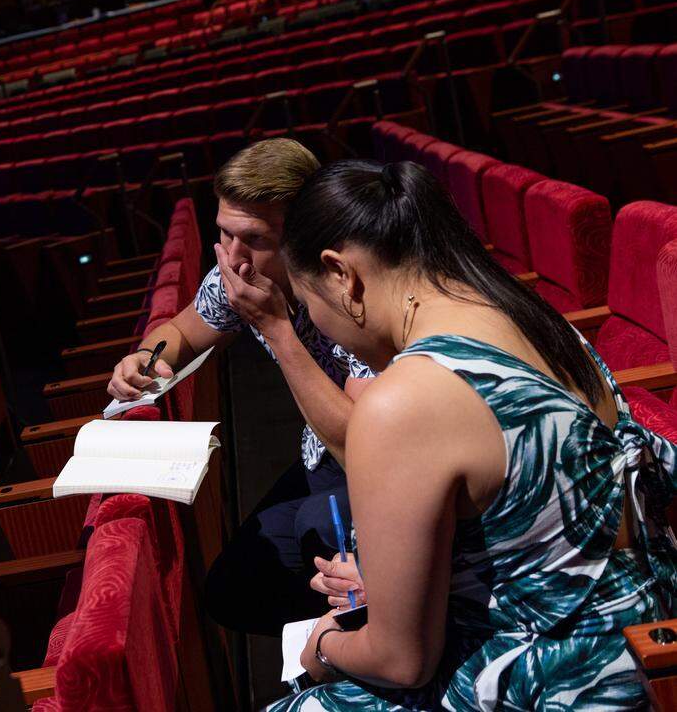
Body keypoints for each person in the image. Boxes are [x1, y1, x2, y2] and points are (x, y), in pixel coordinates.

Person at [266, 160, 677, 710]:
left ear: (342, 274)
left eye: (309, 306)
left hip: (562, 680)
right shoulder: (541, 321)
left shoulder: (404, 401)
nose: (318, 324)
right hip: (645, 630)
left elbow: (401, 661)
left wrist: (323, 647)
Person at [107, 138, 376, 636]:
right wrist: (146, 357)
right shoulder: (240, 272)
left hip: (381, 466)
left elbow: (362, 445)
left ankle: (363, 646)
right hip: (323, 456)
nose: (234, 258)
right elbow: (181, 331)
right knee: (234, 589)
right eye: (223, 235)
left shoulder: (349, 290)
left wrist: (275, 327)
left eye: (252, 238)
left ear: (303, 231)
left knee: (314, 530)